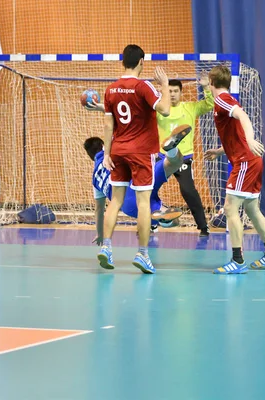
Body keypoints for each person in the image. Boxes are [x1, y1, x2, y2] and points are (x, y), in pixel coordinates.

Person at [95, 44, 172, 274]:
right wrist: (166, 85)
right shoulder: (143, 87)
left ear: (122, 62)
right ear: (141, 62)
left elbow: (108, 125)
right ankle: (143, 254)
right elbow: (166, 109)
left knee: (115, 202)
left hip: (118, 150)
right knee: (143, 203)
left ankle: (106, 247)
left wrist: (107, 153)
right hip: (141, 152)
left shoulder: (111, 89)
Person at [203, 65, 265, 274]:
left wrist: (250, 139)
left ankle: (237, 260)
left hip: (245, 161)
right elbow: (234, 133)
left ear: (212, 83)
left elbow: (243, 117)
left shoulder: (222, 99)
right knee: (252, 209)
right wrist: (221, 151)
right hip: (250, 159)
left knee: (230, 208)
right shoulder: (226, 100)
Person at [84, 126, 191, 248]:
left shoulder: (95, 179)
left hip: (127, 203)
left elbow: (99, 210)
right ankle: (171, 150)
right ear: (103, 146)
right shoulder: (112, 151)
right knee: (174, 162)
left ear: (91, 157)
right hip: (139, 180)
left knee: (175, 222)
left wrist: (100, 233)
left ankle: (162, 218)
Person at [155, 77, 214, 237]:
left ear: (181, 93)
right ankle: (151, 224)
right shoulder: (159, 109)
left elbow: (210, 104)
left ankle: (203, 227)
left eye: (175, 91)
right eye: (169, 91)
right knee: (148, 190)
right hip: (162, 157)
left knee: (188, 190)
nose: (172, 94)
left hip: (183, 159)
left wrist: (206, 87)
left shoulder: (190, 108)